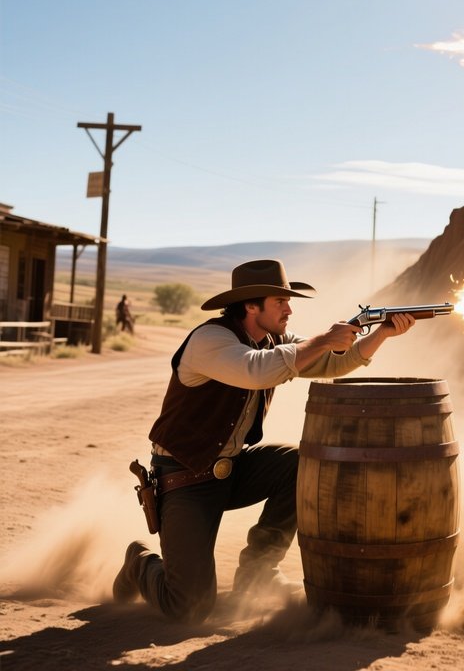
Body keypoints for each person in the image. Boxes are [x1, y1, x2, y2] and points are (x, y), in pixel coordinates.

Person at [111, 259, 416, 623]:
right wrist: (324, 340)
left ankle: (258, 571)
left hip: (231, 467)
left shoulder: (275, 341)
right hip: (185, 478)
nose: (289, 309)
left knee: (301, 465)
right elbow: (257, 370)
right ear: (251, 306)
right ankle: (140, 560)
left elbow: (334, 364)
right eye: (280, 302)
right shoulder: (209, 340)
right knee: (188, 607)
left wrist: (381, 334)